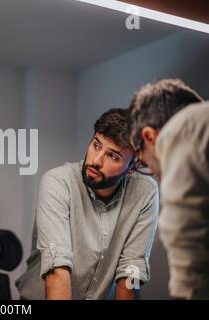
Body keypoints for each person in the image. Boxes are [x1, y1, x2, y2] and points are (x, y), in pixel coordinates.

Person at [16, 108, 159, 300]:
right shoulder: (58, 182)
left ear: (133, 166)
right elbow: (58, 269)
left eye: (113, 156)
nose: (96, 160)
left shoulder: (145, 192)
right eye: (96, 145)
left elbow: (131, 271)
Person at [128, 78, 209, 299]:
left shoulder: (183, 128)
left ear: (149, 137)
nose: (156, 174)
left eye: (145, 163)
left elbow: (186, 230)